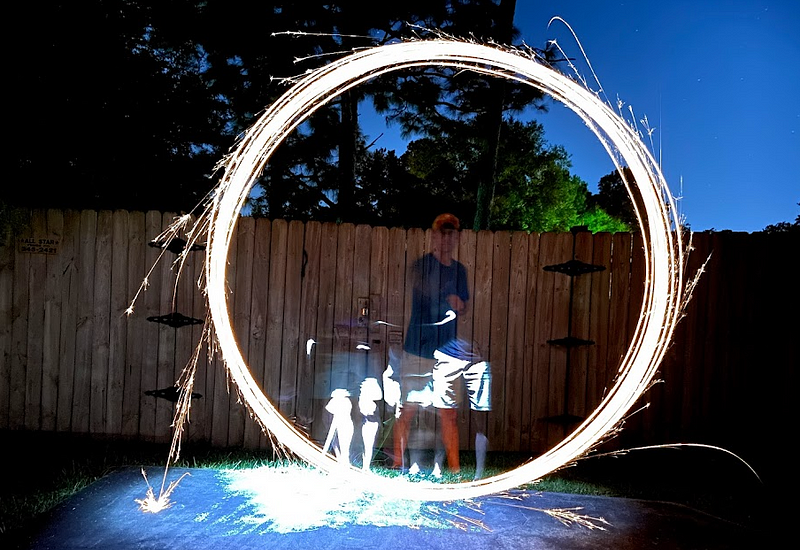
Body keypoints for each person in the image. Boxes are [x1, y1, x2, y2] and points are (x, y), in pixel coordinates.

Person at [392, 213, 469, 474]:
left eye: (452, 234)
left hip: (448, 353)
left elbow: (464, 305)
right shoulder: (421, 266)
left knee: (449, 412)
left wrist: (460, 304)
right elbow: (427, 297)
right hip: (419, 348)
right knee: (409, 408)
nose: (447, 239)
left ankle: (456, 470)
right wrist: (449, 300)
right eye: (442, 233)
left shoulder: (460, 271)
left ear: (456, 237)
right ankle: (397, 463)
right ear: (434, 236)